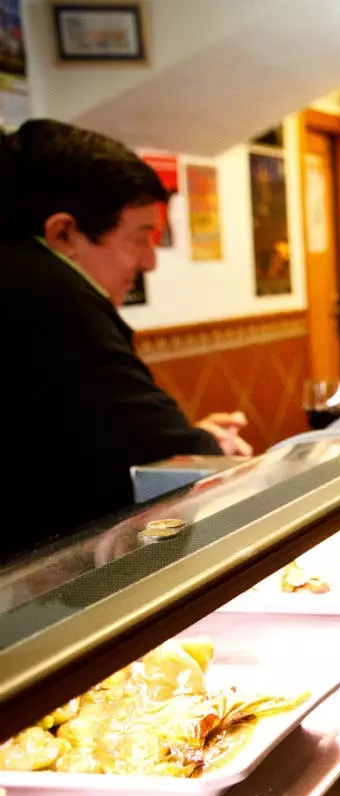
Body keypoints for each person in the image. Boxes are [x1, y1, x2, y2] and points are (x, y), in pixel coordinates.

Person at [0, 120, 253, 562]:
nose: (151, 261)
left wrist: (185, 441)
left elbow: (98, 429)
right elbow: (163, 446)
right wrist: (196, 446)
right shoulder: (50, 294)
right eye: (140, 237)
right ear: (64, 234)